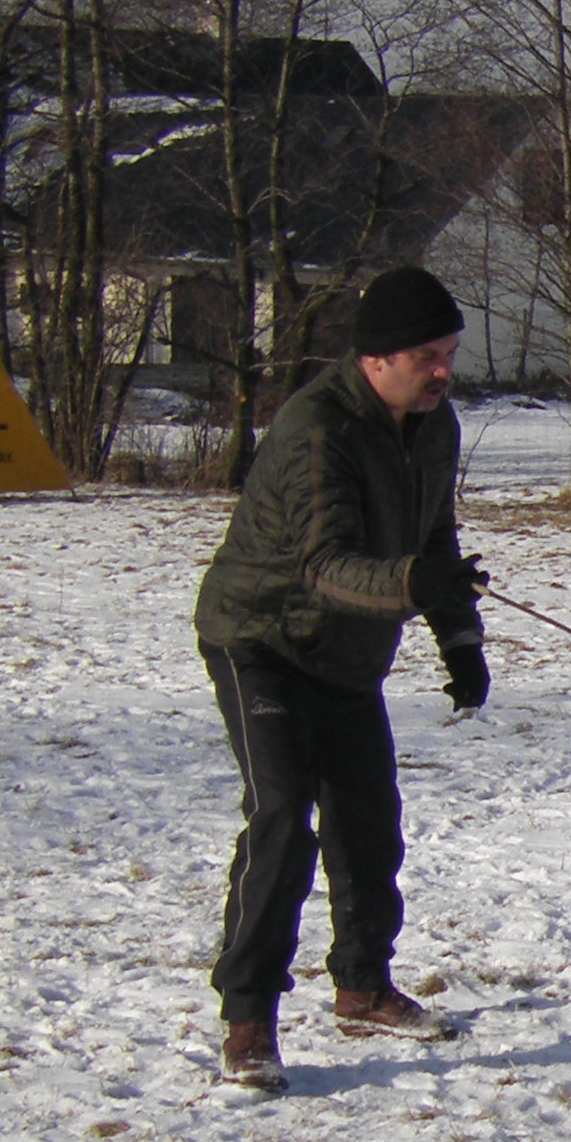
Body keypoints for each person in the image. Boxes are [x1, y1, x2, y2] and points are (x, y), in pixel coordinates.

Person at [193, 264, 492, 1092]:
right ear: (374, 360)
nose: (442, 371)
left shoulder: (434, 424)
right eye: (426, 355)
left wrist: (459, 636)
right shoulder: (316, 429)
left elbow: (435, 543)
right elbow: (324, 565)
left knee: (368, 823)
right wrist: (409, 587)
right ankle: (248, 1020)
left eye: (450, 353)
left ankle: (362, 988)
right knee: (284, 817)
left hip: (352, 651)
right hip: (263, 638)